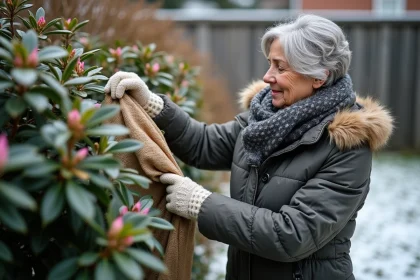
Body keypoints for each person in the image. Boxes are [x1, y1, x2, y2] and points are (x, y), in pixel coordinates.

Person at [105, 14, 393, 280]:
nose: (268, 76)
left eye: (280, 67)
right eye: (270, 63)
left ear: (319, 76)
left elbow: (292, 235)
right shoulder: (264, 118)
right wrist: (154, 106)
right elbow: (204, 145)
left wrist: (202, 204)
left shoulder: (348, 146)